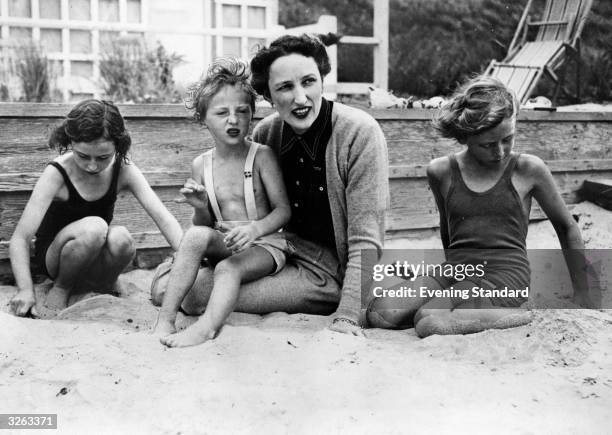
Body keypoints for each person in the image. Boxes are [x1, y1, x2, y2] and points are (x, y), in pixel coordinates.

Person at [152, 34, 389, 335]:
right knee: (188, 285)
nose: (300, 98)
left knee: (196, 294)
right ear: (269, 97)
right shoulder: (268, 133)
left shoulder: (359, 132)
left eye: (309, 82)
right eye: (285, 87)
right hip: (277, 251)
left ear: (322, 80)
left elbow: (366, 239)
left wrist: (347, 316)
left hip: (328, 270)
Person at [367, 76, 594, 337]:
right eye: (487, 144)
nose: (499, 151)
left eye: (508, 139)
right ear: (465, 138)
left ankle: (522, 311)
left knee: (429, 321)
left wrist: (583, 293)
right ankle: (459, 303)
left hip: (504, 275)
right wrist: (445, 283)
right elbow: (447, 230)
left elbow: (567, 227)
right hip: (459, 270)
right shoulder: (441, 171)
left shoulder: (528, 169)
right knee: (380, 314)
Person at [153, 58, 292, 347]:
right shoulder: (201, 165)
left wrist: (254, 230)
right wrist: (201, 205)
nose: (233, 120)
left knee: (227, 270)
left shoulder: (261, 156)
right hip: (225, 241)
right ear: (203, 118)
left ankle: (206, 328)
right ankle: (165, 320)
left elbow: (283, 211)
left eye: (242, 111)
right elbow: (204, 227)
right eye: (221, 113)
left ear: (251, 115)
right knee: (193, 236)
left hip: (264, 244)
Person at [9, 99, 183, 318]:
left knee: (122, 238)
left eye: (103, 157)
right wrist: (25, 290)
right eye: (83, 156)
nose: (92, 165)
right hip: (57, 258)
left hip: (95, 255)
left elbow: (164, 218)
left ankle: (104, 285)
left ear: (118, 148)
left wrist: (190, 259)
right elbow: (20, 238)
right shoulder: (57, 173)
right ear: (70, 141)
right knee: (95, 227)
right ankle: (62, 288)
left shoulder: (123, 170)